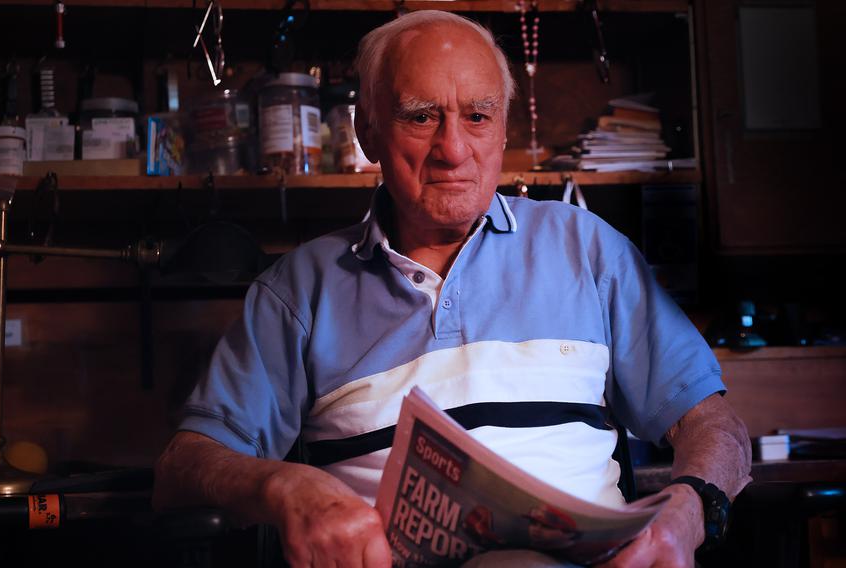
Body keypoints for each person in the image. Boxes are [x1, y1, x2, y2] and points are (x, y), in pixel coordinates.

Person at [153, 10, 752, 568]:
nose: (454, 150)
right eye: (421, 116)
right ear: (368, 132)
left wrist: (690, 510)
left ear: (502, 128)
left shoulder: (587, 249)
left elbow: (713, 425)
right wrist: (282, 485)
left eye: (478, 115)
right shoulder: (299, 291)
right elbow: (183, 467)